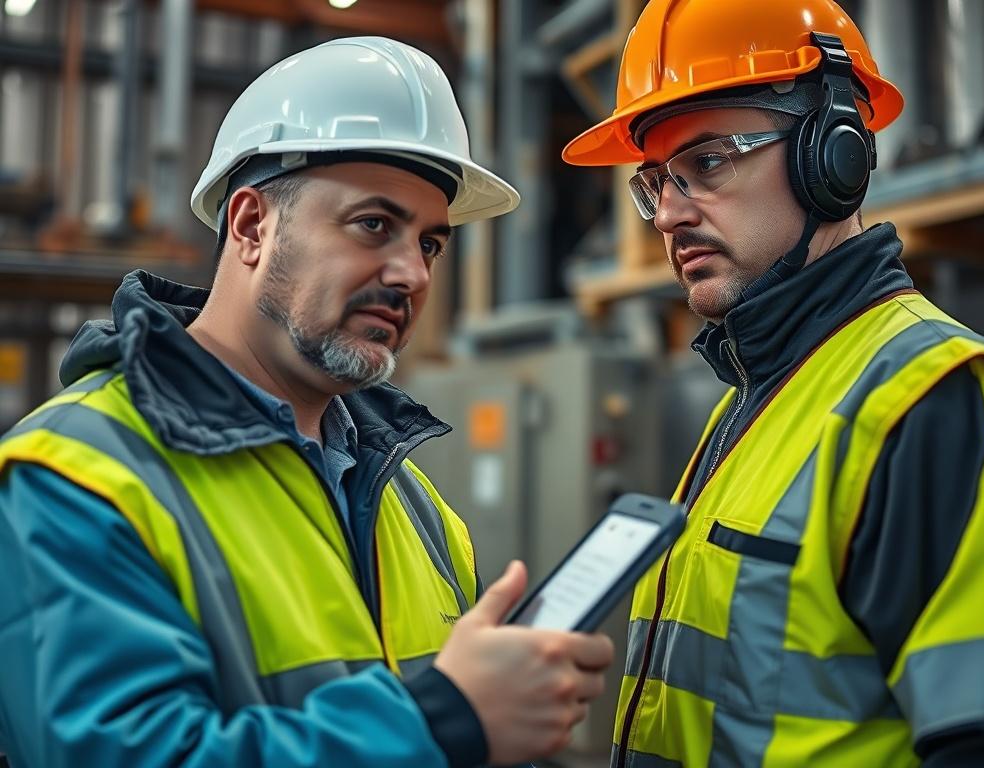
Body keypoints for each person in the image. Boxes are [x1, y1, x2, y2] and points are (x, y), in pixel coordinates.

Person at [0, 37, 613, 768]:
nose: (412, 274)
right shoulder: (77, 477)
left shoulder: (414, 505)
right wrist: (444, 723)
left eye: (431, 245)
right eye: (374, 225)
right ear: (252, 225)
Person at [562, 1, 984, 766]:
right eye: (656, 183)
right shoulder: (752, 400)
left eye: (706, 163)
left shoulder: (930, 402)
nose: (668, 214)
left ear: (832, 156)